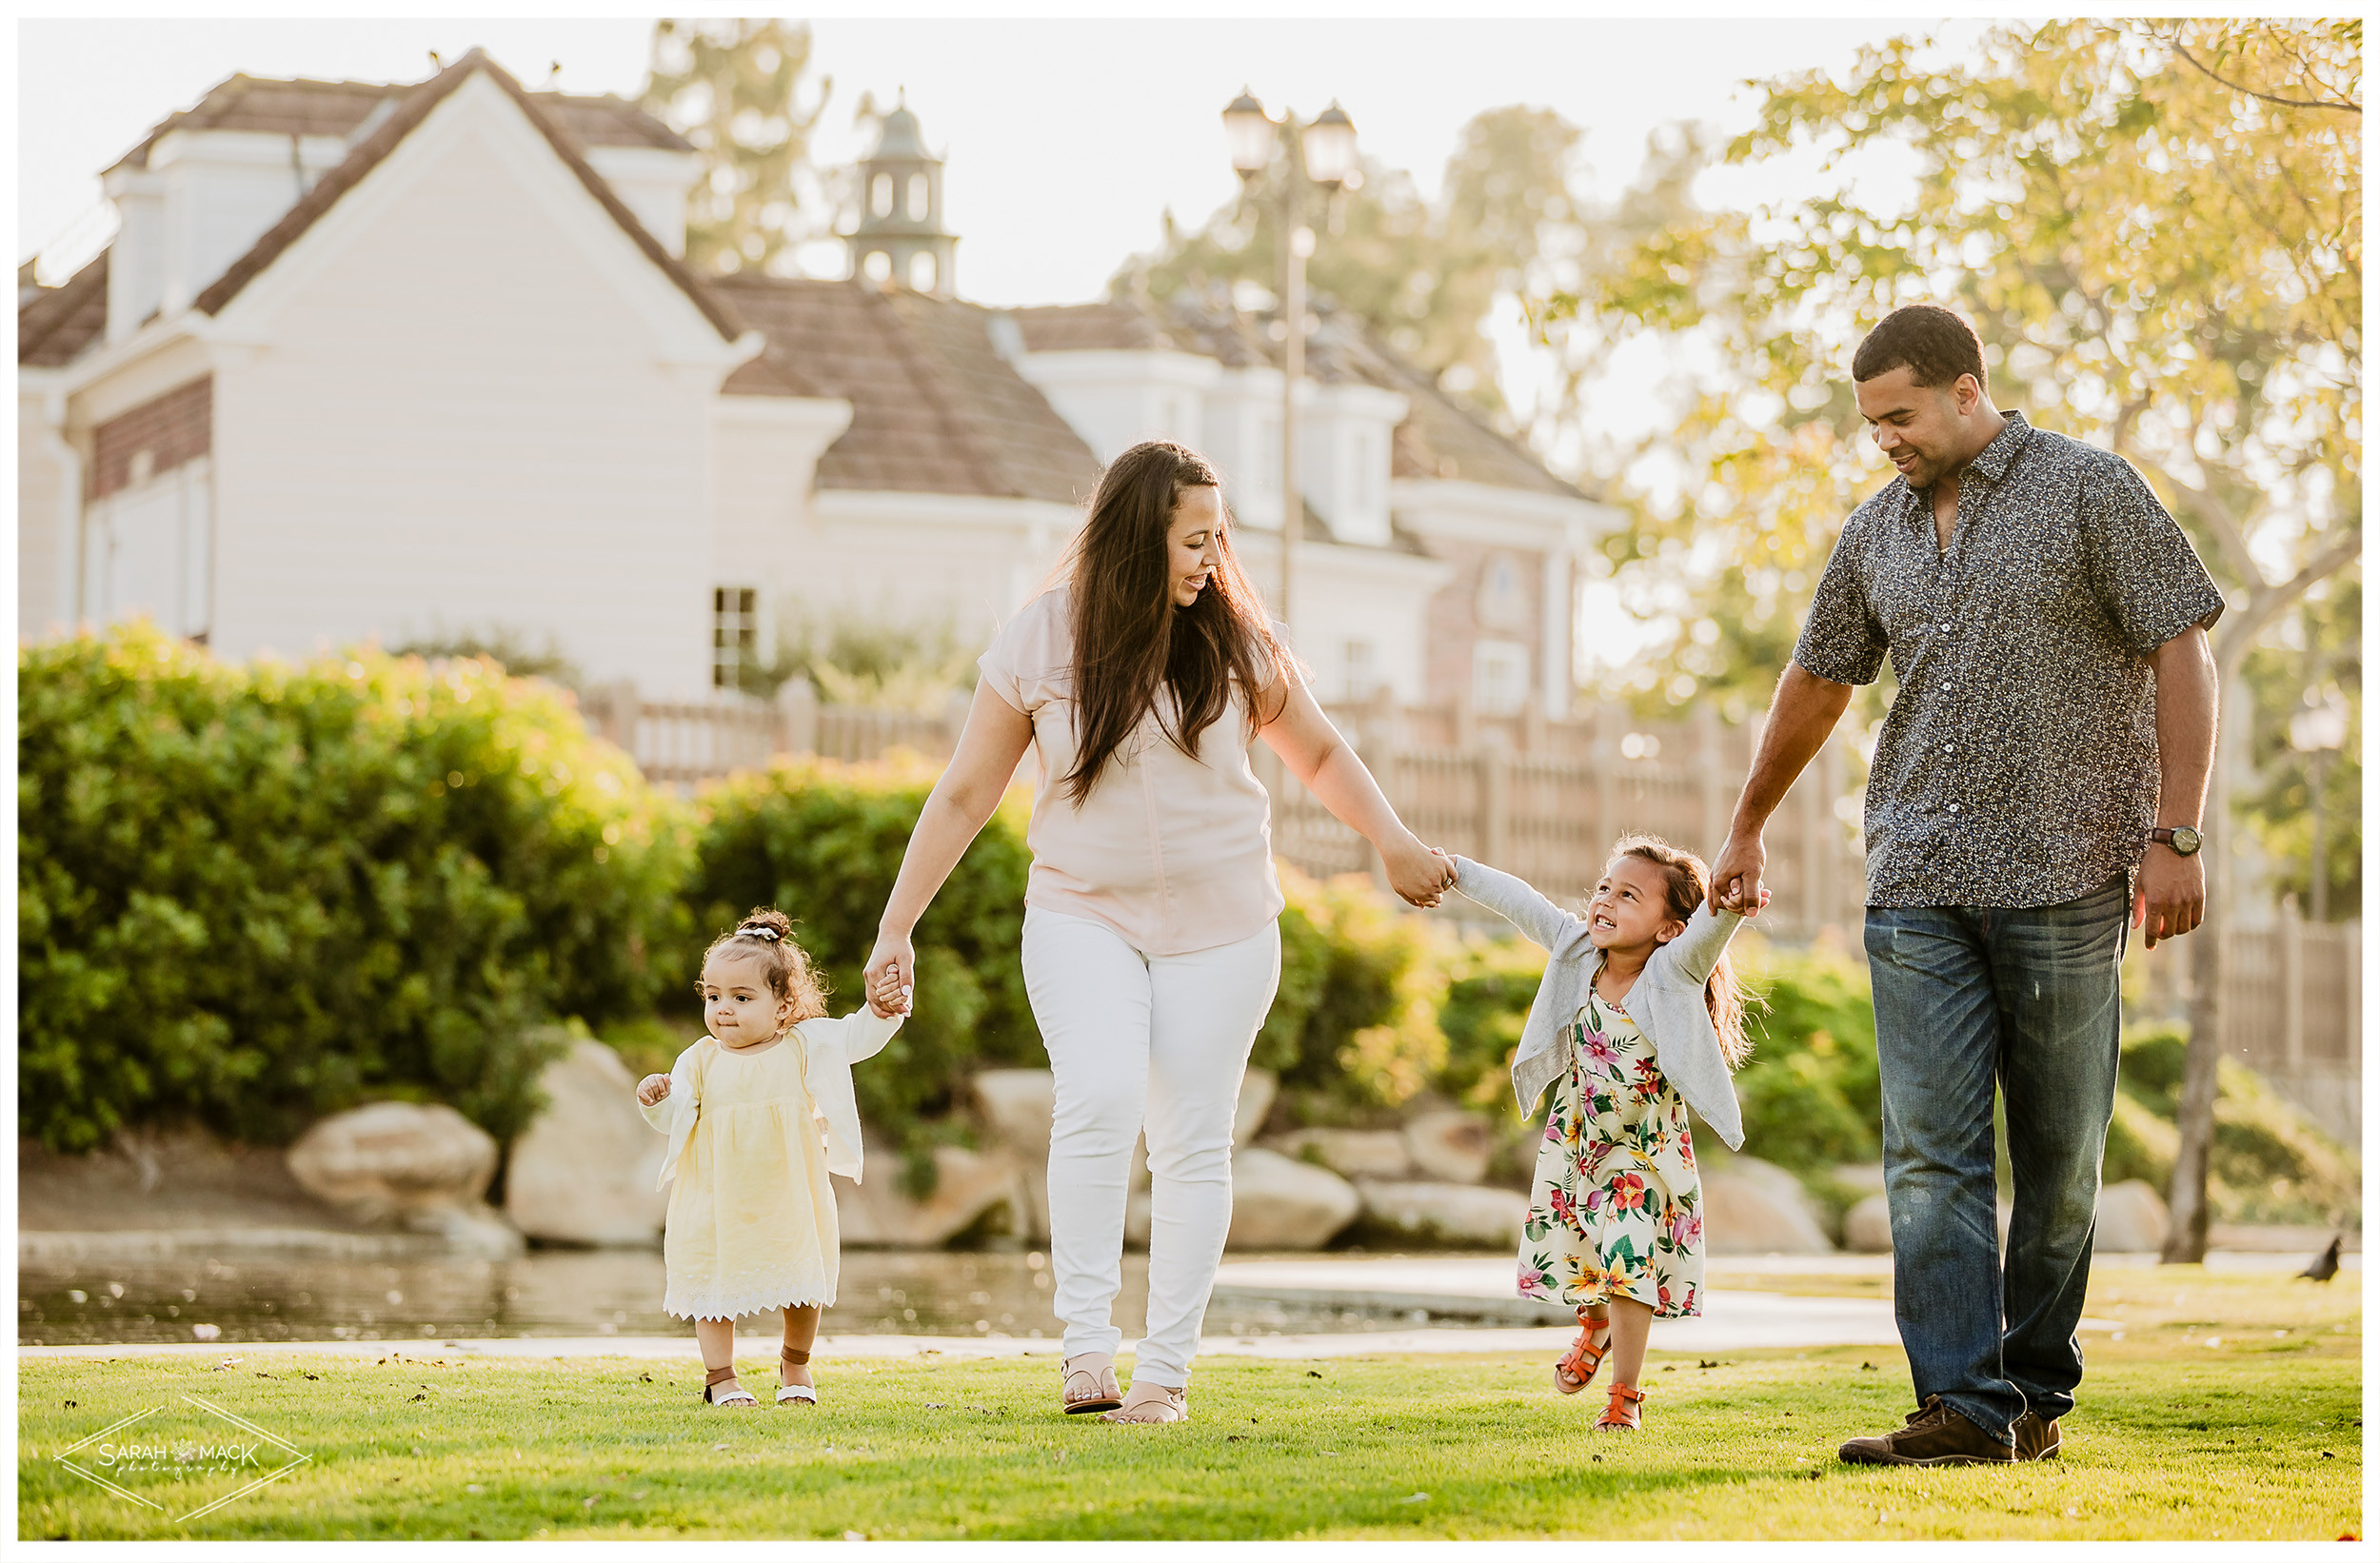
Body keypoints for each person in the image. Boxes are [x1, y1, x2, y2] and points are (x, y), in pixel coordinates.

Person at [1706, 303, 2223, 1466]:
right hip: (1917, 877)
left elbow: (2184, 643)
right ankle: (1959, 1405)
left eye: (1897, 416)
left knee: (2059, 1158)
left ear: (1964, 388)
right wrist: (1745, 825)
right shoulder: (1872, 533)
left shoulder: (2090, 490)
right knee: (1928, 1152)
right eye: (1869, 422)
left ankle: (2032, 1389)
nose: (1882, 438)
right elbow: (1817, 680)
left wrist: (2176, 834)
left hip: (2066, 875)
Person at [862, 440, 1450, 1425]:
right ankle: (1085, 1347)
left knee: (1190, 1142)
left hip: (1223, 928)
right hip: (1080, 911)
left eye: (1219, 538)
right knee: (1094, 1096)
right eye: (1193, 539)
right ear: (1139, 536)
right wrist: (896, 929)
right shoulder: (1041, 640)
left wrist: (1389, 839)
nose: (1211, 559)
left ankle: (1163, 1372)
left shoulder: (1233, 639)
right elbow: (966, 792)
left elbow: (1320, 751)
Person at [1440, 837, 1760, 1433]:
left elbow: (1711, 929)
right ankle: (1596, 1323)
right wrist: (1456, 870)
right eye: (1604, 888)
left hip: (1643, 1152)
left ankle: (1625, 1396)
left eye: (1629, 895)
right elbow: (1522, 901)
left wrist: (1732, 904)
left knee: (1629, 1256)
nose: (1606, 902)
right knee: (1587, 1249)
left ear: (1668, 929)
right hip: (1579, 1141)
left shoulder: (1673, 969)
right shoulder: (1578, 950)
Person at [637, 909, 908, 1409]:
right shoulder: (700, 1058)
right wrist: (657, 1100)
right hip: (717, 1197)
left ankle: (796, 1366)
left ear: (784, 1006)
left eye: (742, 998)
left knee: (801, 1281)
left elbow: (856, 1037)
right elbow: (677, 1114)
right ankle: (721, 1378)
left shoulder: (802, 1046)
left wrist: (883, 1009)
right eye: (714, 996)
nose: (724, 1009)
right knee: (715, 1287)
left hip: (787, 1195)